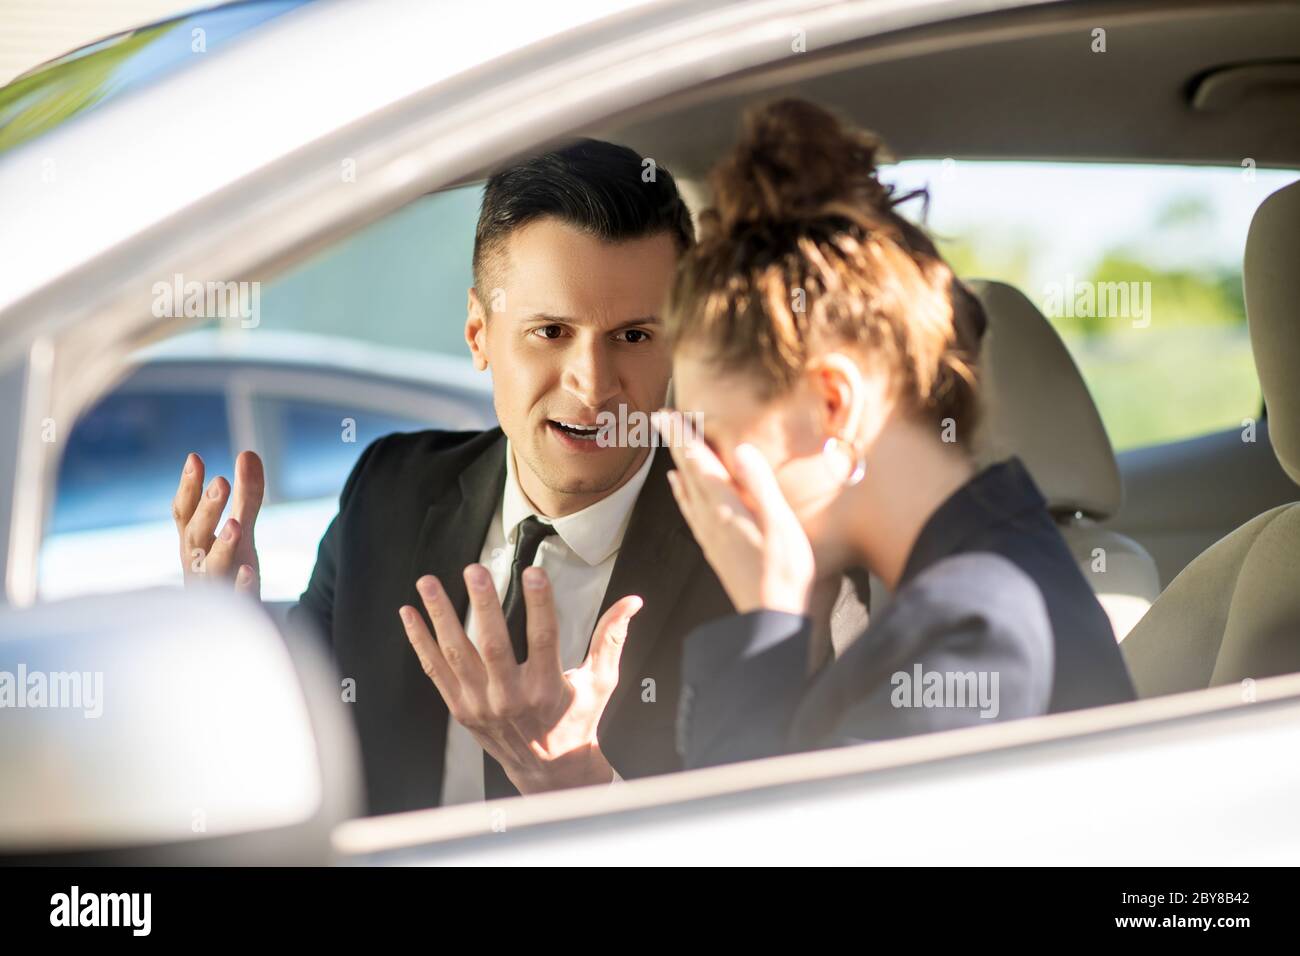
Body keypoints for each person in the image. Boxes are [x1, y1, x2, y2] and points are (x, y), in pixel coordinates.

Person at [170, 139, 739, 813]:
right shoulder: (389, 490)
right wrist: (226, 632)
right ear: (478, 334)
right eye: (552, 331)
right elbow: (292, 756)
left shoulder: (745, 552)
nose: (593, 387)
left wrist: (577, 784)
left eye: (634, 336)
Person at [655, 99, 1136, 769]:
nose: (701, 476)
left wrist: (764, 622)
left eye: (710, 438)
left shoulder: (974, 631)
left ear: (831, 404)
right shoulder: (967, 590)